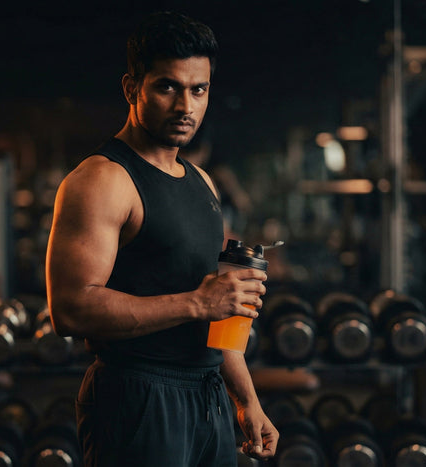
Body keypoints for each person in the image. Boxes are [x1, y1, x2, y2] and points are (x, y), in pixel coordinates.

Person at [45, 11, 278, 466]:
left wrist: (247, 399)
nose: (185, 107)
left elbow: (218, 312)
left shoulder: (203, 183)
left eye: (199, 90)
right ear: (133, 88)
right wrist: (197, 302)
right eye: (167, 87)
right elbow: (70, 309)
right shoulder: (102, 180)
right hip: (138, 395)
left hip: (208, 397)